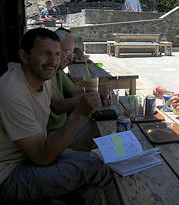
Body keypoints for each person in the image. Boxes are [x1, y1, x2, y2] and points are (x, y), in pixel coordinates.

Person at [0, 28, 118, 204]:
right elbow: (42, 157)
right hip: (9, 174)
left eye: (57, 54)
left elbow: (56, 104)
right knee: (102, 167)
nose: (53, 61)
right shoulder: (13, 92)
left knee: (93, 193)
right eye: (45, 54)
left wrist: (85, 100)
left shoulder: (42, 78)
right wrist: (78, 114)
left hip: (33, 156)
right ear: (24, 56)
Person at [47, 29, 103, 151]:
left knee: (102, 122)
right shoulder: (46, 74)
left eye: (71, 53)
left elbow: (77, 92)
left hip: (65, 127)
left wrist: (95, 92)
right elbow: (57, 106)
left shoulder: (58, 72)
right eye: (67, 52)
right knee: (104, 129)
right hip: (55, 137)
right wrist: (88, 99)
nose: (70, 58)